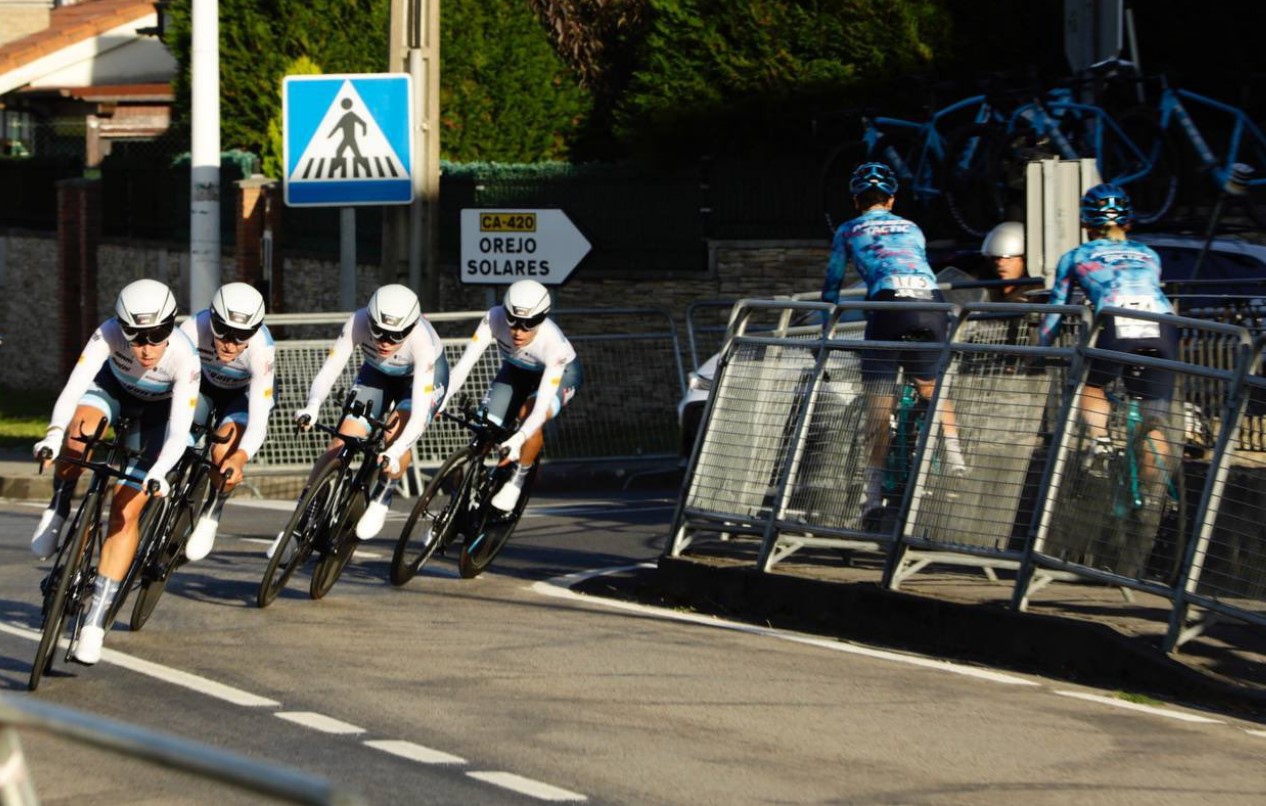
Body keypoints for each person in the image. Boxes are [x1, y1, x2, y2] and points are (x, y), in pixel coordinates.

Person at [30, 279, 200, 664]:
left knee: (126, 511)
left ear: (170, 327)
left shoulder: (185, 358)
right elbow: (73, 389)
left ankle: (95, 621)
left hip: (158, 416)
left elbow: (179, 429)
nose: (145, 347)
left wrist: (160, 471)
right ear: (121, 328)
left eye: (156, 335)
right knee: (77, 437)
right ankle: (58, 507)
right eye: (135, 336)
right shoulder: (106, 333)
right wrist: (54, 436)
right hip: (113, 390)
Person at [821, 162, 966, 521]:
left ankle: (871, 498)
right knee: (930, 385)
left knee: (879, 405)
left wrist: (826, 330)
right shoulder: (912, 227)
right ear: (891, 199)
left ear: (856, 201)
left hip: (889, 306)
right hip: (932, 304)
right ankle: (955, 457)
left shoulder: (848, 229)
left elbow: (832, 285)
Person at [287, 284, 447, 546]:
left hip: (416, 382)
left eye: (395, 336)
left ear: (409, 329)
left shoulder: (422, 342)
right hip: (377, 374)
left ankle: (383, 494)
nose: (385, 342)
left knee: (394, 433)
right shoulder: (358, 321)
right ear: (370, 320)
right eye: (379, 332)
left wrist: (394, 451)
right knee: (341, 441)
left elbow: (419, 414)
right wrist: (313, 405)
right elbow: (330, 370)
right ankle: (304, 510)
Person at [1038, 183, 1178, 479]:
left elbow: (1057, 311)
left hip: (1117, 320)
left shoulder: (1076, 256)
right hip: (1164, 325)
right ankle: (1155, 499)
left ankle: (1100, 442)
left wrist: (1040, 351)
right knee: (1154, 421)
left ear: (1084, 223)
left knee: (1090, 386)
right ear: (1127, 222)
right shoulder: (1149, 254)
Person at [442, 280, 583, 512]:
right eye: (513, 322)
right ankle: (466, 494)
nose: (519, 331)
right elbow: (464, 366)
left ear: (543, 318)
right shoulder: (494, 318)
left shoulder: (552, 343)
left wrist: (520, 436)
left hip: (561, 375)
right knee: (485, 424)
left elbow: (540, 409)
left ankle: (517, 479)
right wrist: (441, 399)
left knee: (527, 413)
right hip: (517, 370)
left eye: (529, 324)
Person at [179, 282, 275, 561]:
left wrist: (240, 458)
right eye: (223, 333)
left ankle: (213, 508)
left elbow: (258, 421)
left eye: (242, 335)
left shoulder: (261, 349)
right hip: (204, 385)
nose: (231, 344)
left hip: (242, 394)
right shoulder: (192, 329)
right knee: (181, 433)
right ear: (212, 319)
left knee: (223, 452)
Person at [980, 221, 1032, 303]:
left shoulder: (1035, 295)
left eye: (1009, 258)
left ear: (1024, 260)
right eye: (996, 258)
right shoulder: (983, 291)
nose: (1001, 264)